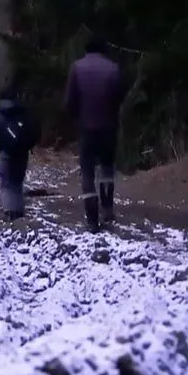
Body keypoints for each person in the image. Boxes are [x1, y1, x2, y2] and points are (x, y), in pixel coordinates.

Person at [63, 36, 127, 232]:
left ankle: (92, 218)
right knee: (107, 168)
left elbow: (69, 101)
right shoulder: (113, 68)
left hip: (86, 128)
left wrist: (77, 118)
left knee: (88, 172)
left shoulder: (76, 67)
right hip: (108, 127)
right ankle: (107, 209)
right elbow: (120, 97)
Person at [0, 86, 40, 221]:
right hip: (22, 152)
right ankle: (19, 212)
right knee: (17, 182)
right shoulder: (25, 114)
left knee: (7, 183)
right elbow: (36, 133)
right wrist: (28, 146)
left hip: (6, 152)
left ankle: (10, 213)